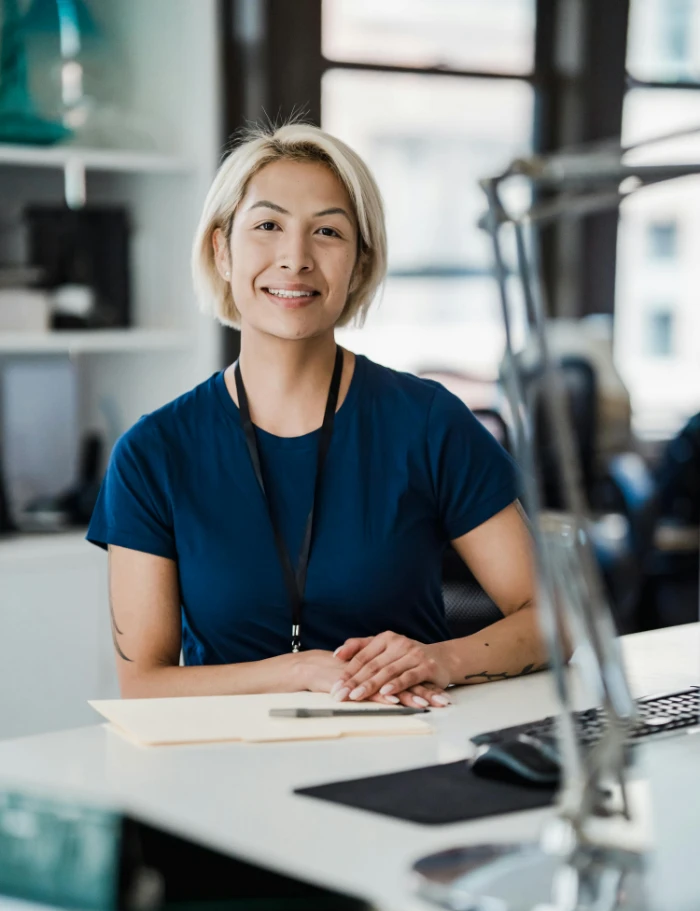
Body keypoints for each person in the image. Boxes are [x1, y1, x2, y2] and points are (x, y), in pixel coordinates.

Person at [87, 123, 547, 708]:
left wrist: (442, 658)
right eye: (268, 226)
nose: (296, 258)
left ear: (358, 263)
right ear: (221, 250)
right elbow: (143, 683)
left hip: (408, 755)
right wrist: (298, 672)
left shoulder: (428, 422)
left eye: (327, 231)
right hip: (222, 770)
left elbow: (553, 619)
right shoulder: (153, 453)